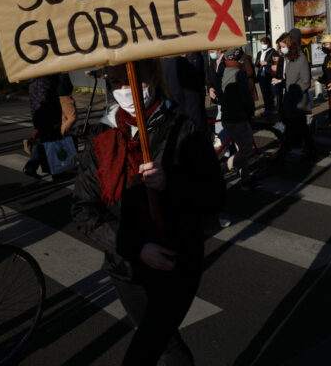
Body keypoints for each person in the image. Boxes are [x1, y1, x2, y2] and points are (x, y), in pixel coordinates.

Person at [72, 59, 226, 364]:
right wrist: (137, 248)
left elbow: (214, 196)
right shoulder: (103, 138)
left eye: (132, 82)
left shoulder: (184, 128)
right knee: (165, 344)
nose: (125, 91)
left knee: (147, 348)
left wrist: (171, 183)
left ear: (152, 80)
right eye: (117, 84)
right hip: (126, 268)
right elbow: (83, 209)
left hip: (176, 264)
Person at [219, 48, 257, 190]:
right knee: (246, 151)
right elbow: (246, 97)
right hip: (238, 117)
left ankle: (245, 180)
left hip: (226, 117)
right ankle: (223, 168)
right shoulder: (239, 74)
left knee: (240, 148)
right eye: (241, 58)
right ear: (236, 59)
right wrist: (251, 111)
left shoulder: (220, 73)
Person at [273, 33, 314, 158]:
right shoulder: (289, 59)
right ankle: (307, 152)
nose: (281, 49)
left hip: (298, 101)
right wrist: (280, 82)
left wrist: (292, 94)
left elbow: (306, 81)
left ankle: (282, 154)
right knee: (300, 129)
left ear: (290, 45)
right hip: (290, 101)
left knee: (294, 129)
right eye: (280, 47)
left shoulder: (300, 58)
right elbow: (290, 80)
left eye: (283, 46)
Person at [23, 74, 63, 177]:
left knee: (47, 141)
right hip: (47, 115)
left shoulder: (35, 79)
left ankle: (32, 167)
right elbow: (47, 97)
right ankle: (53, 171)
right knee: (51, 141)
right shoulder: (45, 79)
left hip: (40, 115)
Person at [255, 37, 276, 116]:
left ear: (268, 43)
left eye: (264, 43)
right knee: (264, 93)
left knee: (271, 93)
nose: (262, 45)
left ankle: (272, 108)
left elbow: (276, 63)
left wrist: (267, 63)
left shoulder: (273, 52)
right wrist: (258, 62)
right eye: (261, 44)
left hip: (270, 75)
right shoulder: (259, 53)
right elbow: (256, 64)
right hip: (262, 75)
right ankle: (268, 109)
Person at [58, 73, 77, 137]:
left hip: (57, 96)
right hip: (65, 96)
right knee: (72, 117)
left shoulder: (53, 72)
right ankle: (60, 135)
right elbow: (69, 86)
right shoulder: (63, 73)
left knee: (64, 118)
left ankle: (63, 138)